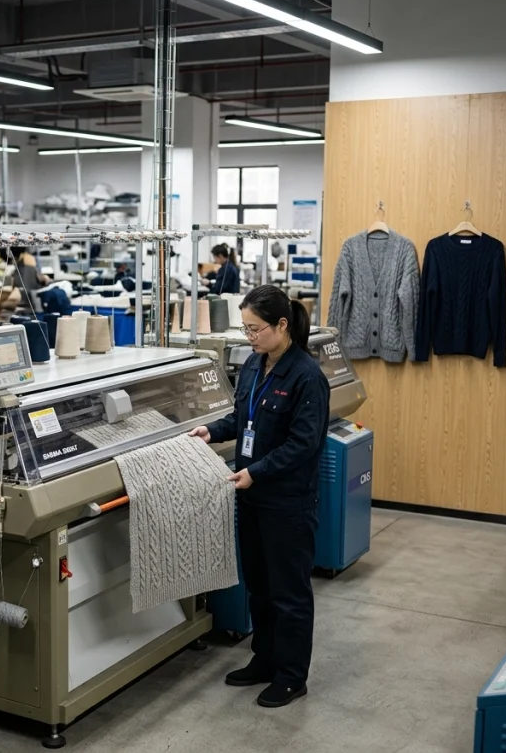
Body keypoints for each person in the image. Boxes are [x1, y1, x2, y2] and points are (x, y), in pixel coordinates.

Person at [189, 284, 329, 708]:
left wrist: (256, 472)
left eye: (256, 329)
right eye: (245, 329)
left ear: (282, 325)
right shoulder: (253, 365)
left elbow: (303, 445)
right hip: (251, 496)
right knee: (260, 587)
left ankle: (291, 675)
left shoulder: (307, 377)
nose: (250, 337)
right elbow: (241, 417)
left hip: (286, 503)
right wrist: (211, 431)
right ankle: (264, 660)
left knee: (289, 592)